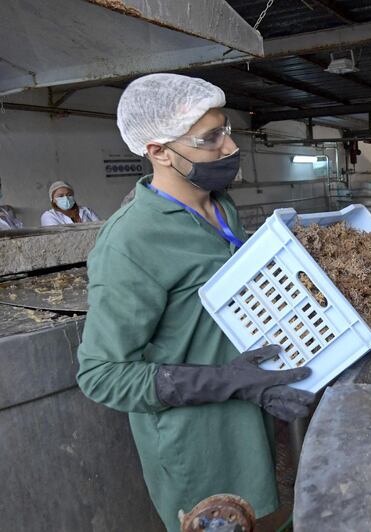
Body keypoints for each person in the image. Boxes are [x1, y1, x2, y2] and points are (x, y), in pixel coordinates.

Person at [76, 73, 315, 532]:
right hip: (198, 443)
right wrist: (230, 381)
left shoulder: (220, 205)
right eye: (210, 138)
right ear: (159, 151)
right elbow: (100, 375)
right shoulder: (132, 241)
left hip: (250, 416)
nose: (229, 148)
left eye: (226, 130)